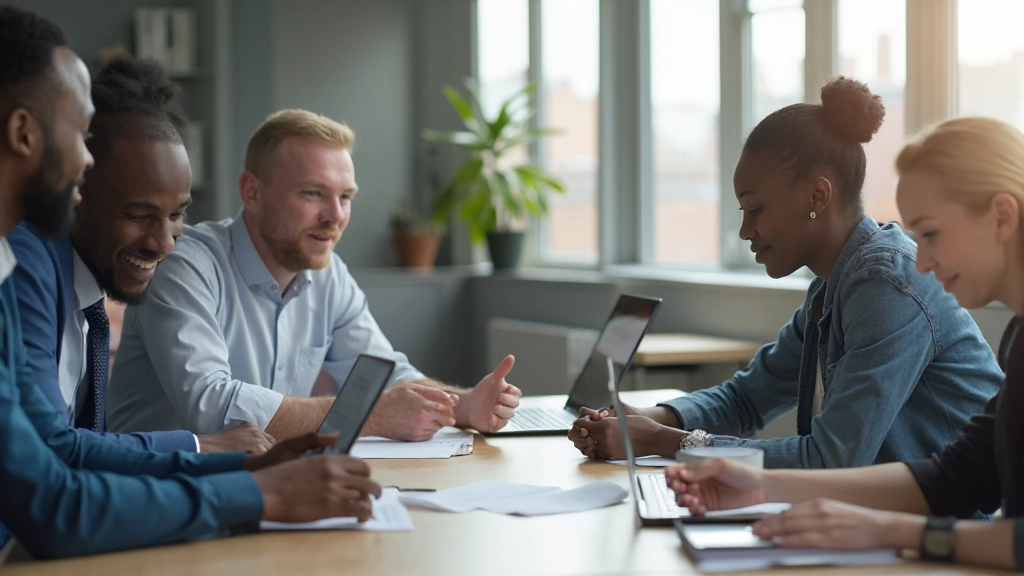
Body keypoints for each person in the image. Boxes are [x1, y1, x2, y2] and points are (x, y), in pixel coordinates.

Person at [0, 5, 380, 558]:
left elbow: (63, 450)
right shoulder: (26, 261)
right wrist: (256, 492)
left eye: (177, 214)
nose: (86, 159)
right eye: (80, 133)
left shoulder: (18, 266)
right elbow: (55, 502)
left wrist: (236, 468)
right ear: (22, 134)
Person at [569, 77, 1002, 469]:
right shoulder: (830, 289)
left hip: (954, 522)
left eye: (755, 208)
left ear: (817, 196)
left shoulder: (887, 283)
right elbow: (747, 398)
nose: (744, 230)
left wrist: (663, 441)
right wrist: (648, 419)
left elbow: (833, 458)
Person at [667, 116, 1024, 571]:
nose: (923, 262)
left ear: (1001, 216)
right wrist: (757, 484)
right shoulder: (1018, 336)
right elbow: (960, 476)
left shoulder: (888, 278)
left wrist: (886, 529)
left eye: (930, 234)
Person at [107, 109, 522, 441]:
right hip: (158, 488)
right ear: (252, 192)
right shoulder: (185, 264)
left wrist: (465, 406)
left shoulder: (328, 275)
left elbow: (386, 376)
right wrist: (372, 415)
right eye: (313, 193)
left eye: (345, 197)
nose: (335, 216)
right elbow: (210, 406)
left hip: (265, 480)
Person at [8, 56, 272, 455]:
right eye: (137, 215)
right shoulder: (27, 262)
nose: (164, 243)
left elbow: (83, 452)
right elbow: (53, 452)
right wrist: (204, 448)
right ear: (75, 194)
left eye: (177, 215)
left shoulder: (85, 290)